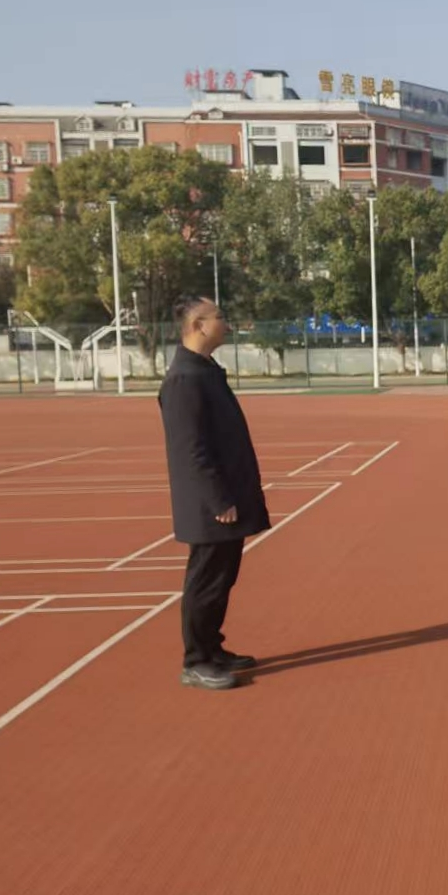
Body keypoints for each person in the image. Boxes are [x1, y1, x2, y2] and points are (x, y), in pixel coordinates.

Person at [159, 295, 271, 691]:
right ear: (198, 326)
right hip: (211, 505)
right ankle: (196, 660)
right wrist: (218, 498)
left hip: (226, 497)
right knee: (206, 580)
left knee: (223, 578)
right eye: (219, 317)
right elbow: (191, 449)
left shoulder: (204, 370)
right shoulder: (184, 380)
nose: (226, 322)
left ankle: (212, 646)